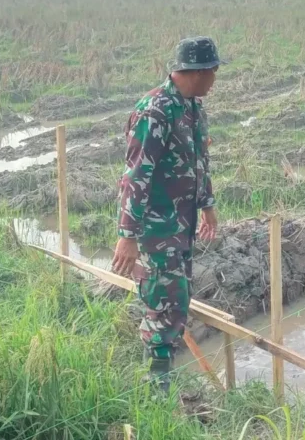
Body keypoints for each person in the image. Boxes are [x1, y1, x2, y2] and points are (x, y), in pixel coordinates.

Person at [111, 36, 222, 393]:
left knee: (177, 295)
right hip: (158, 227)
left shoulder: (192, 107)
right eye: (213, 71)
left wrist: (208, 205)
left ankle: (164, 369)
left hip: (183, 224)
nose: (215, 79)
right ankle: (156, 384)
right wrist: (127, 235)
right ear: (196, 72)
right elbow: (136, 175)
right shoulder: (155, 110)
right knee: (164, 298)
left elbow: (199, 162)